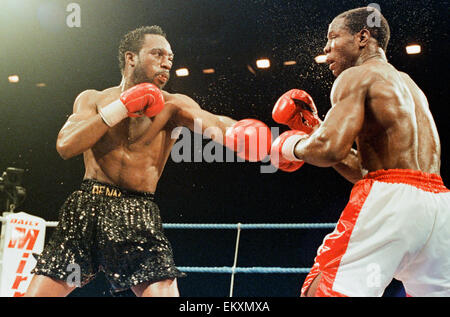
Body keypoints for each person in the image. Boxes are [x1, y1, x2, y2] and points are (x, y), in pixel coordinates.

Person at [25, 26, 271, 297]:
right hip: (86, 210)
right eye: (157, 54)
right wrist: (121, 107)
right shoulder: (93, 99)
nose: (166, 61)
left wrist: (268, 143)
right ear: (131, 58)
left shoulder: (173, 106)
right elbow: (66, 145)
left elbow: (218, 125)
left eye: (170, 57)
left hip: (137, 213)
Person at [271, 7, 450, 297]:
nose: (326, 49)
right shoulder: (410, 86)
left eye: (333, 38)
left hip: (391, 201)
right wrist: (316, 130)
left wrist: (288, 147)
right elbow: (366, 170)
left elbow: (329, 149)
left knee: (321, 289)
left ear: (363, 36)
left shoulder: (355, 77)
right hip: (439, 207)